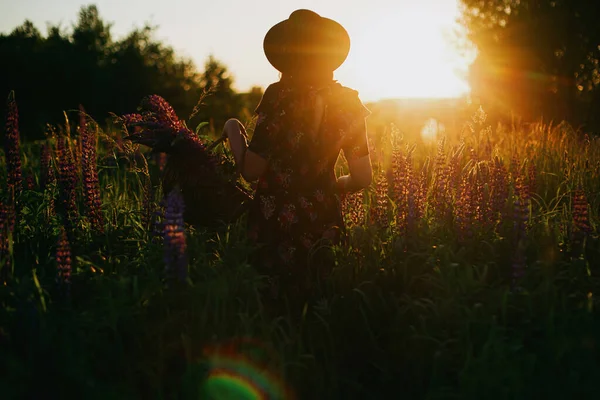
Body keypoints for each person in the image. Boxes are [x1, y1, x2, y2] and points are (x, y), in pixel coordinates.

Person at [222, 9, 373, 304]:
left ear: (285, 56)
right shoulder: (347, 102)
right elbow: (362, 177)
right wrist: (333, 187)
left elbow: (252, 170)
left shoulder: (279, 96)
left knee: (272, 311)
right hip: (324, 222)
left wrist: (232, 132)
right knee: (320, 310)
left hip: (274, 225)